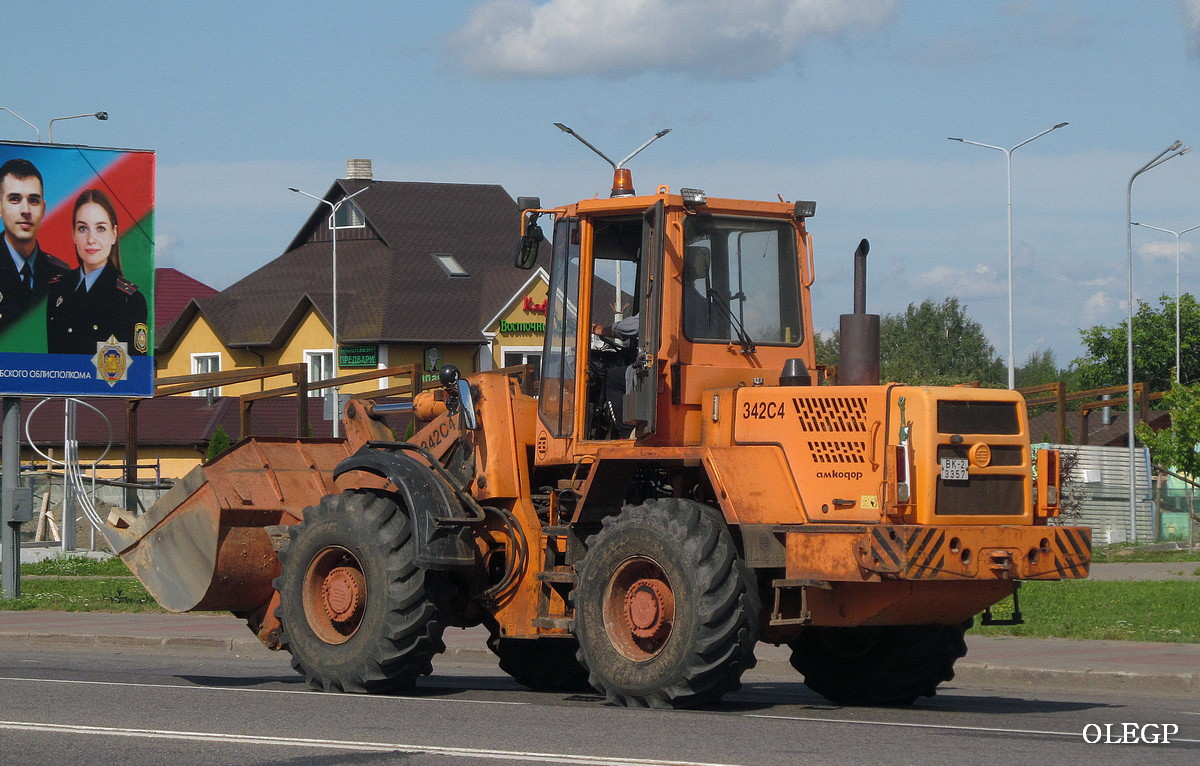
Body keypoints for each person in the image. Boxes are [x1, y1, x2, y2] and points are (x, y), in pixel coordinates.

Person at [47, 188, 149, 355]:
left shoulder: (128, 299)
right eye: (83, 228)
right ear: (73, 234)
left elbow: (133, 371)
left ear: (114, 234)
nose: (91, 239)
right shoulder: (57, 288)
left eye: (100, 228)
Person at [0, 158, 70, 332]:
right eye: (15, 199)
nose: (26, 210)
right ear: (0, 206)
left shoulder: (61, 274)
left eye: (33, 200)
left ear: (43, 209)